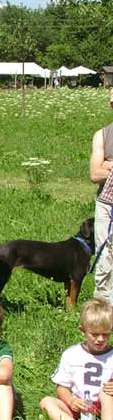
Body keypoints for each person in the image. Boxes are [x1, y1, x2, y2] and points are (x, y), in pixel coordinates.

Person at [39, 297, 113, 420]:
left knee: (106, 394)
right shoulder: (72, 354)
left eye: (106, 334)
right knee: (46, 402)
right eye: (95, 334)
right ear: (82, 330)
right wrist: (71, 400)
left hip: (106, 408)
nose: (100, 339)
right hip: (79, 405)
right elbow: (62, 387)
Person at [90, 89, 113, 304]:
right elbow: (95, 174)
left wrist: (108, 164)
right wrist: (103, 165)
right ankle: (103, 308)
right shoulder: (102, 135)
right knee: (104, 255)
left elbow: (102, 168)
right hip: (106, 205)